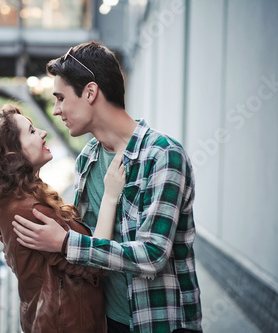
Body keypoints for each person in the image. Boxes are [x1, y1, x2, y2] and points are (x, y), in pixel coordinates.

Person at [12, 42, 203, 333]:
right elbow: (91, 234)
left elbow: (152, 255)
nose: (56, 110)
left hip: (160, 321)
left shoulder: (162, 155)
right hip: (106, 320)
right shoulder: (88, 157)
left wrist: (64, 243)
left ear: (90, 92)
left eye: (61, 98)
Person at [0, 104, 126, 332]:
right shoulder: (29, 209)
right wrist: (111, 195)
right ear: (11, 153)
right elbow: (97, 261)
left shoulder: (11, 200)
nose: (43, 133)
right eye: (32, 131)